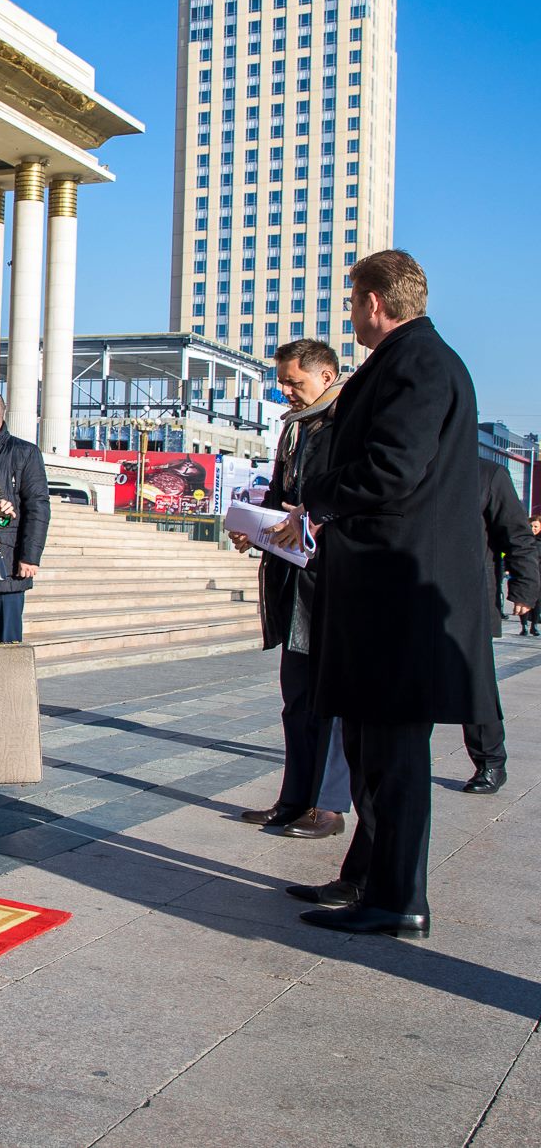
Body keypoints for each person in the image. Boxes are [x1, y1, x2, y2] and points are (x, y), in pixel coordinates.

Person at [280, 250, 496, 938]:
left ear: (376, 301)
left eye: (353, 301)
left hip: (399, 593)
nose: (350, 314)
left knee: (396, 754)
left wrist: (315, 493)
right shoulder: (409, 362)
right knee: (373, 745)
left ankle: (400, 897)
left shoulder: (419, 363)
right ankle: (366, 874)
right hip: (383, 589)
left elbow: (392, 470)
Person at [233, 339, 350, 839]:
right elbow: (281, 495)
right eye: (280, 381)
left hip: (335, 582)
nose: (284, 392)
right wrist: (255, 527)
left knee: (336, 701)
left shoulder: (349, 421)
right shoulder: (294, 430)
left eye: (293, 382)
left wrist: (315, 520)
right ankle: (294, 797)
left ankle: (329, 804)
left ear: (326, 377)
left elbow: (355, 492)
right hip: (294, 578)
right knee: (296, 699)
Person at [462, 459, 538, 794]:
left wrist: (525, 587)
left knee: (474, 688)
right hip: (414, 602)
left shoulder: (487, 474)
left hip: (470, 603)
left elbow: (517, 535)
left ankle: (491, 762)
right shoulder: (415, 465)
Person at [0, 390, 49, 643]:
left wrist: (29, 557)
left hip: (7, 567)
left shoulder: (24, 452)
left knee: (8, 644)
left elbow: (38, 507)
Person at [523, 516, 541, 636]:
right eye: (531, 526)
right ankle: (524, 625)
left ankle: (534, 625)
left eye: (536, 526)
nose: (533, 529)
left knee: (537, 600)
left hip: (539, 574)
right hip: (525, 573)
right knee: (523, 598)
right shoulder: (523, 540)